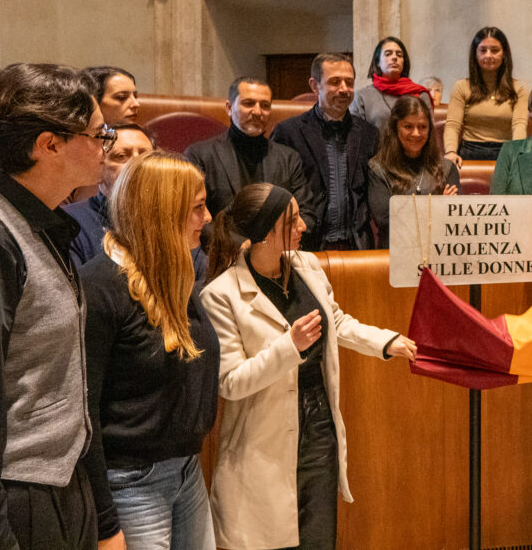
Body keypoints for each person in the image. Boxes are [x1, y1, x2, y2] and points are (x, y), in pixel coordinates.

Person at [201, 183, 417, 549]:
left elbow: (337, 322)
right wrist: (290, 347)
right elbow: (231, 382)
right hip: (262, 442)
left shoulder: (307, 265)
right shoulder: (221, 294)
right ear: (268, 231)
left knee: (319, 540)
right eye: (294, 220)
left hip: (319, 430)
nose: (304, 227)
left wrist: (386, 341)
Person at [81, 151, 218, 549]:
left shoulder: (175, 276)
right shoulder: (101, 286)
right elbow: (84, 411)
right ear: (163, 214)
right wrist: (107, 525)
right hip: (130, 483)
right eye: (197, 208)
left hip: (186, 470)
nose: (207, 218)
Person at [0, 63, 108, 549]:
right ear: (50, 144)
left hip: (65, 483)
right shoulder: (4, 237)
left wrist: (103, 518)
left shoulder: (46, 225)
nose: (105, 145)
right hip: (22, 497)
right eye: (98, 134)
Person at [272, 53, 380, 250]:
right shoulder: (288, 133)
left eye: (349, 82)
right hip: (307, 245)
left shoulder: (369, 134)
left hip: (357, 246)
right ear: (315, 85)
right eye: (335, 82)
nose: (344, 89)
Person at [186, 76, 315, 229]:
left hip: (277, 249)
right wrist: (238, 245)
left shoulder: (288, 158)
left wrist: (275, 242)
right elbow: (193, 216)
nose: (257, 111)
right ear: (229, 108)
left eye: (265, 105)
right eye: (248, 104)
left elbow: (307, 213)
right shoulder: (200, 155)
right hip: (220, 250)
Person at [368, 95, 460, 249]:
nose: (416, 133)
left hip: (437, 251)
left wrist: (403, 208)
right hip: (395, 253)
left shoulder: (447, 168)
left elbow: (453, 217)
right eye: (408, 126)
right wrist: (437, 206)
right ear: (395, 128)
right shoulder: (378, 168)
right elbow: (385, 220)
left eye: (422, 127)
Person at [64, 124, 155, 266]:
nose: (136, 164)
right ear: (99, 166)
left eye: (146, 156)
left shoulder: (176, 218)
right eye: (121, 156)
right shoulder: (69, 221)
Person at [443, 26, 529, 163]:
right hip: (469, 152)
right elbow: (453, 125)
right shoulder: (461, 86)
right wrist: (451, 152)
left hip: (506, 153)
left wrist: (518, 154)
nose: (488, 55)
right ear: (475, 54)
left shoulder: (519, 88)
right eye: (483, 50)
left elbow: (519, 124)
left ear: (504, 54)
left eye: (495, 50)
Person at [350, 36, 434, 131]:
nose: (394, 57)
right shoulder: (362, 96)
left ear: (404, 62)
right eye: (388, 54)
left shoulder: (420, 94)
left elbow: (429, 133)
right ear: (378, 62)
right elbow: (356, 137)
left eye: (399, 55)